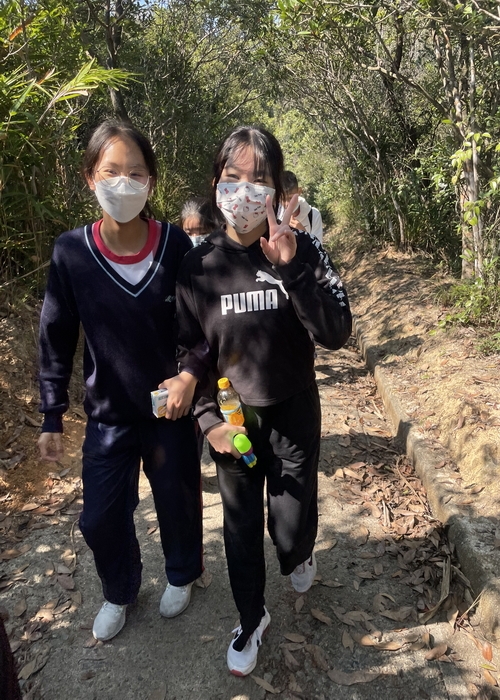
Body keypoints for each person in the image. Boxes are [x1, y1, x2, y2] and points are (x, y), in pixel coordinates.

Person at [175, 125, 352, 676]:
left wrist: (291, 267)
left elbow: (337, 332)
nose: (245, 192)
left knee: (290, 531)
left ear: (277, 190)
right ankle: (251, 618)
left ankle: (299, 550)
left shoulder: (304, 249)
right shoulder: (198, 266)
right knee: (240, 529)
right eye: (234, 178)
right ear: (216, 184)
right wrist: (208, 422)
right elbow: (189, 352)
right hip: (234, 422)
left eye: (259, 180)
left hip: (294, 413)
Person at [38, 120, 205, 642]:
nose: (123, 183)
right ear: (90, 177)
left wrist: (190, 376)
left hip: (169, 412)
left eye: (136, 172)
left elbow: (202, 326)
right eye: (111, 171)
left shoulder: (175, 245)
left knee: (178, 501)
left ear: (152, 180)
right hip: (108, 416)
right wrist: (51, 414)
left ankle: (182, 573)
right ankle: (120, 588)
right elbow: (56, 334)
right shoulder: (71, 253)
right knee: (100, 517)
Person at [280, 170, 324, 243]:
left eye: (291, 198)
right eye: (282, 199)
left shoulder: (313, 215)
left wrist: (304, 234)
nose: (287, 204)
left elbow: (318, 248)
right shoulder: (275, 216)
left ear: (299, 191)